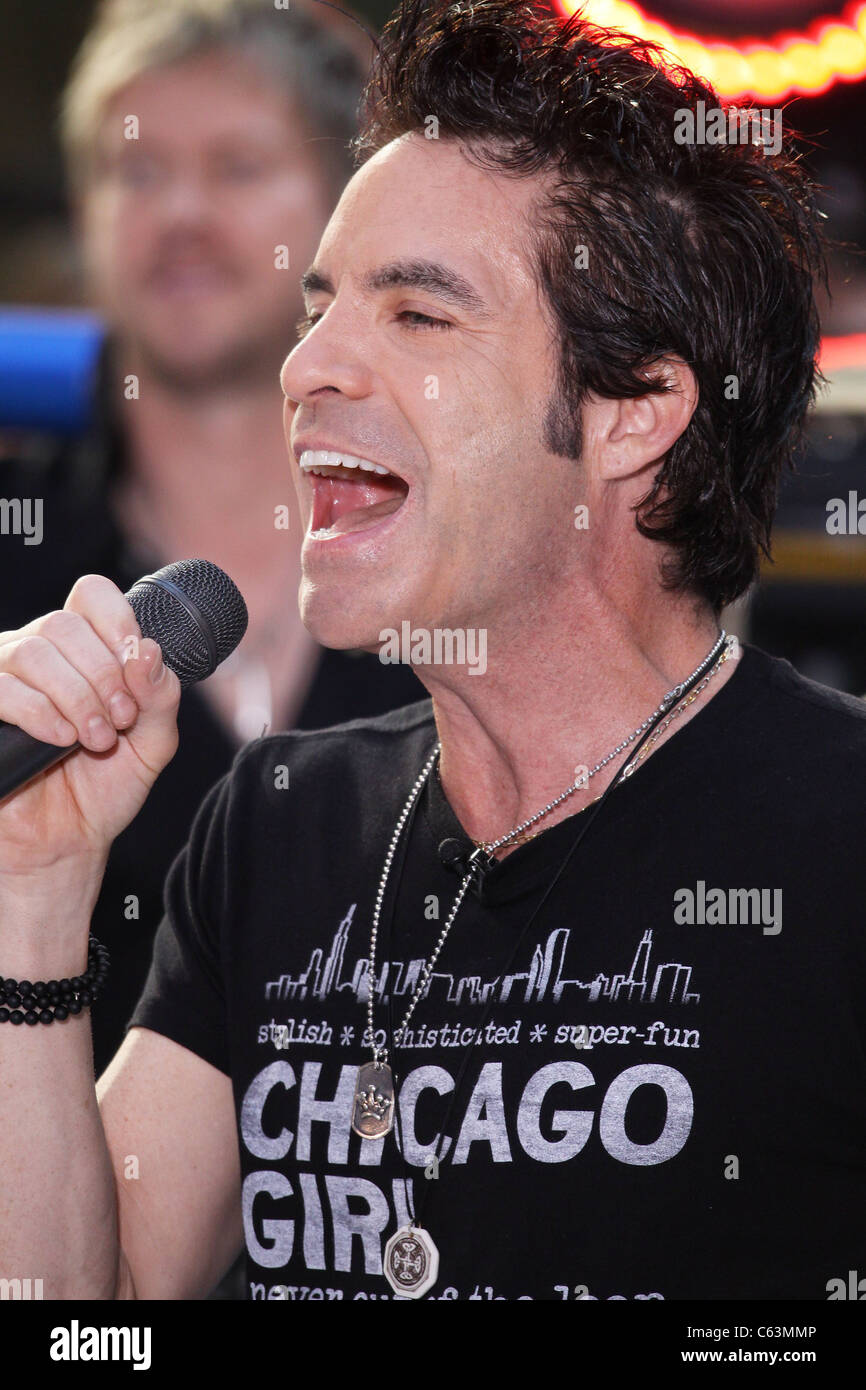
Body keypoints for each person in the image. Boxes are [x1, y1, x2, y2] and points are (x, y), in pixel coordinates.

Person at [0, 0, 863, 1303]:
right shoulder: (276, 822)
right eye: (321, 306)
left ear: (636, 409)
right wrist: (34, 899)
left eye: (418, 315)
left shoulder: (838, 834)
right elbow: (84, 1326)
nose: (309, 366)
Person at [0, 0, 421, 1078]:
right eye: (135, 172)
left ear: (348, 208)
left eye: (237, 166)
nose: (180, 211)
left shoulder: (469, 554)